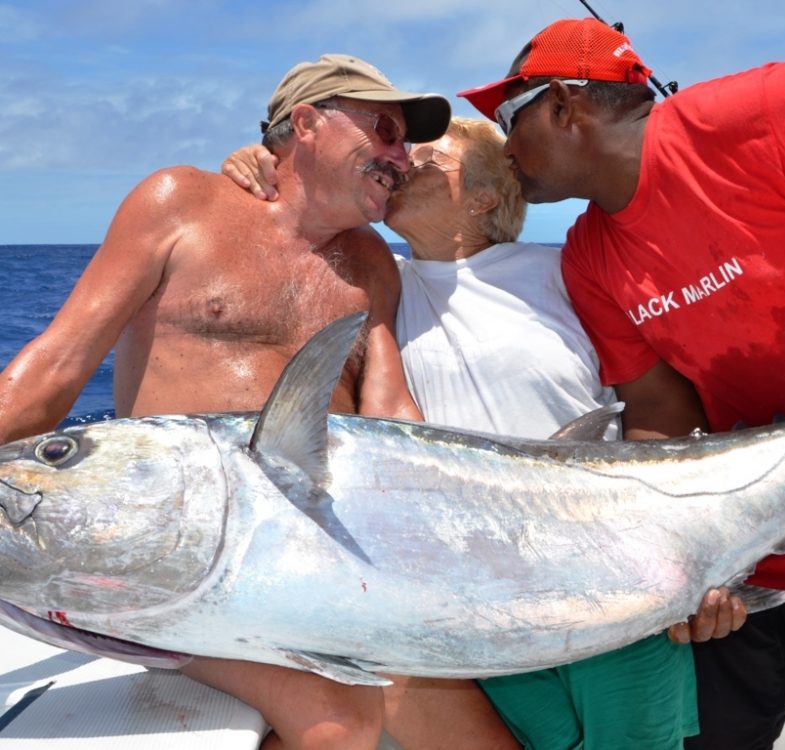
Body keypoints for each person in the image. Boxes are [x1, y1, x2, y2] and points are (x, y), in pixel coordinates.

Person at [458, 16, 785, 750]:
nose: (506, 149)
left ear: (565, 106)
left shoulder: (759, 113)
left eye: (509, 119)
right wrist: (689, 567)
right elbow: (662, 413)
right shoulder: (589, 257)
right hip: (742, 564)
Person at [224, 114, 746, 749]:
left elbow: (662, 405)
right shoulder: (377, 279)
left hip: (614, 586)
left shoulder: (564, 272)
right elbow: (295, 223)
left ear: (485, 197)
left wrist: (697, 557)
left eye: (426, 162)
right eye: (400, 159)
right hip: (482, 608)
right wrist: (263, 167)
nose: (400, 167)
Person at [0, 52, 465, 750]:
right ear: (307, 122)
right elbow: (53, 373)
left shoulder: (372, 263)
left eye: (406, 143)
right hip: (175, 566)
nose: (402, 157)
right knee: (341, 720)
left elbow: (392, 412)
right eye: (387, 131)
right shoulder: (178, 202)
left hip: (312, 566)